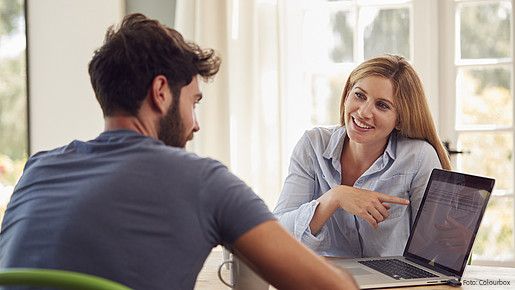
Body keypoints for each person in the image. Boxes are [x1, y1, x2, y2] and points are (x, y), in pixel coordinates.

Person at [0, 14, 357, 290]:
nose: (195, 125)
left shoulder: (39, 168)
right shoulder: (202, 180)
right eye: (193, 102)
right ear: (161, 92)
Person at [274, 55, 452, 258]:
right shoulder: (313, 144)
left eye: (382, 105)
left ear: (400, 119)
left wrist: (453, 241)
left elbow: (436, 251)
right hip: (324, 280)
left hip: (392, 284)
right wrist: (335, 197)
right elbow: (277, 234)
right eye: (359, 95)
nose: (364, 112)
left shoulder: (419, 157)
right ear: (347, 94)